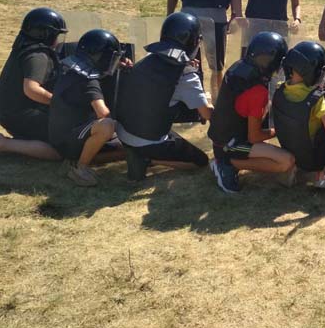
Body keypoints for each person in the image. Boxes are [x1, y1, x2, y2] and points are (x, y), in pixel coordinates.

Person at [116, 12, 214, 182]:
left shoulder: (149, 58)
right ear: (195, 42)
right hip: (148, 140)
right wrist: (210, 103)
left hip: (123, 131)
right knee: (200, 161)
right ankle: (145, 160)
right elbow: (206, 114)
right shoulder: (186, 76)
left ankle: (138, 152)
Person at [208, 31, 294, 193]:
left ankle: (226, 159)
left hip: (221, 138)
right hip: (229, 145)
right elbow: (254, 137)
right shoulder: (257, 90)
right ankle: (227, 164)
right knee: (286, 161)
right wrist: (278, 131)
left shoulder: (239, 66)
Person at [49, 29, 127, 186]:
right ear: (102, 57)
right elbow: (103, 113)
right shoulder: (88, 80)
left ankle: (72, 162)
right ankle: (79, 168)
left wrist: (118, 66)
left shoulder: (70, 67)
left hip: (60, 135)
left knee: (124, 147)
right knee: (107, 125)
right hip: (68, 140)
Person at [272, 41, 325, 188]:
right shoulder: (317, 101)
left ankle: (293, 168)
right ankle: (322, 173)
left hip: (289, 153)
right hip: (312, 160)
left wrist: (320, 89)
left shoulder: (279, 90)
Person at [0, 8, 67, 161]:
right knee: (63, 150)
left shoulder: (24, 45)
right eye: (56, 35)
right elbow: (31, 89)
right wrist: (59, 103)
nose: (58, 41)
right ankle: (4, 144)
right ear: (46, 34)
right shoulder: (38, 56)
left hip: (10, 109)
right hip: (19, 113)